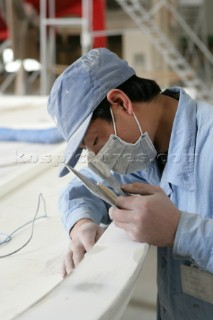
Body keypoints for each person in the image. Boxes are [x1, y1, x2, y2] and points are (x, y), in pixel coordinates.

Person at [48, 48, 213, 319]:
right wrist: (81, 224)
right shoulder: (147, 150)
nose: (98, 157)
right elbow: (84, 186)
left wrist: (180, 231)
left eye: (96, 142)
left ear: (122, 103)